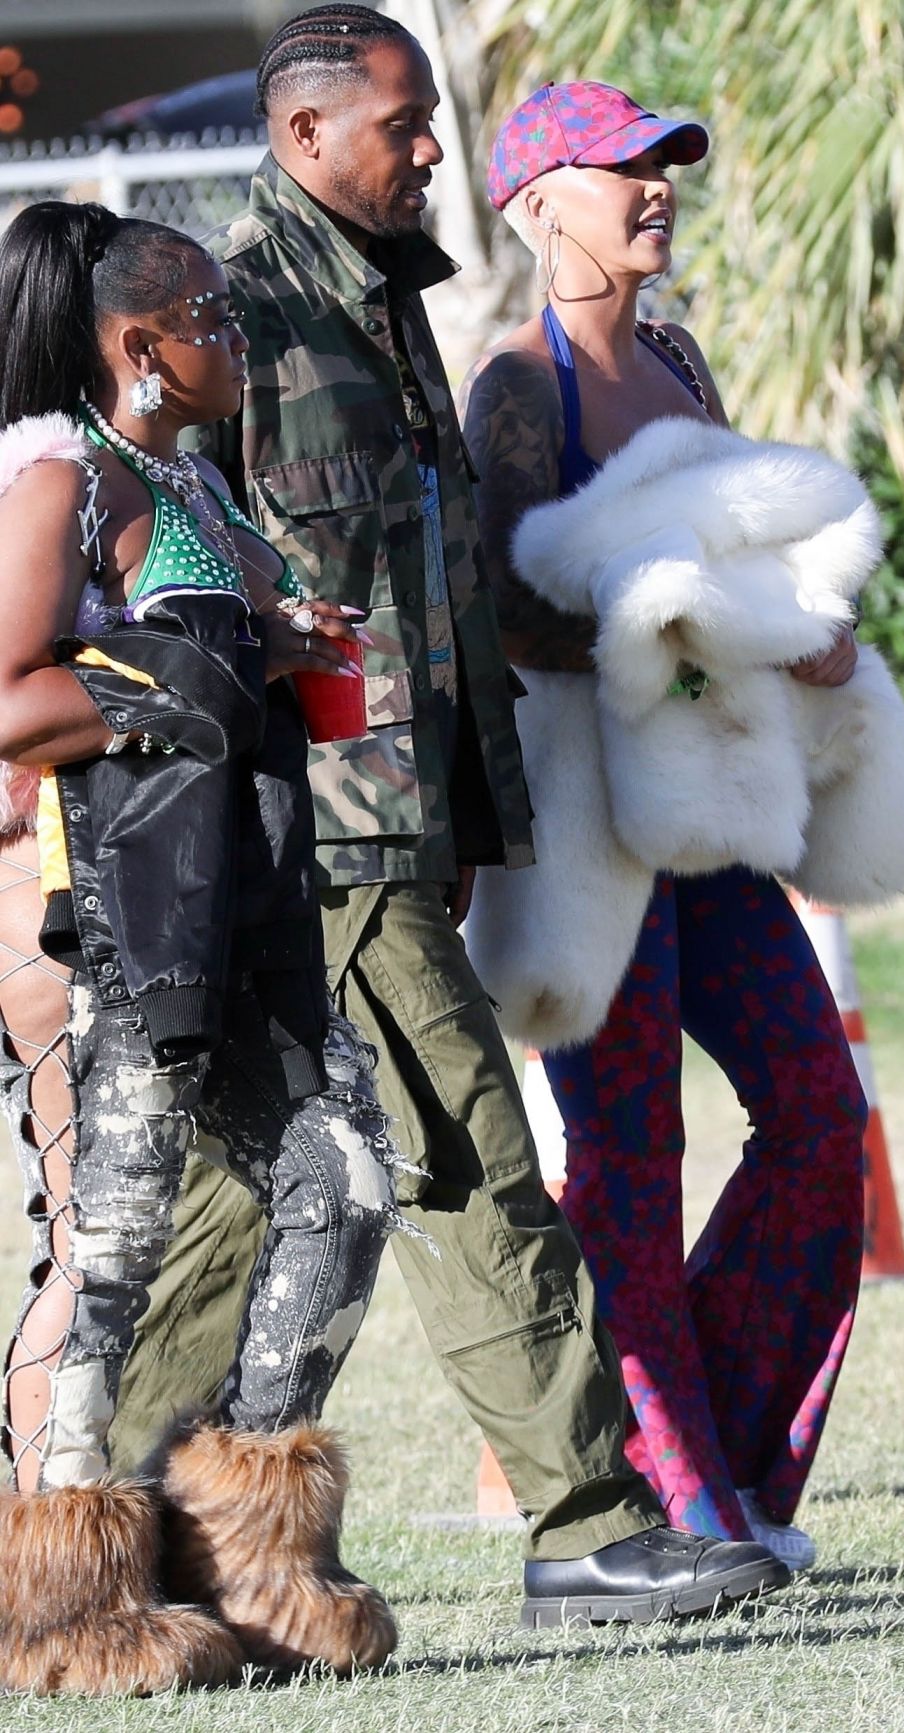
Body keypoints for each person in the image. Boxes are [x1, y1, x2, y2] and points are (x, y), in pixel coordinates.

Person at [111, 2, 786, 1631]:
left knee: (244, 1191)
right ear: (303, 137)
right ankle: (587, 1519)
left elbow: (441, 594)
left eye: (427, 124)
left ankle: (90, 1517)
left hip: (403, 819)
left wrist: (477, 802)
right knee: (468, 1156)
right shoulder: (233, 309)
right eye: (406, 127)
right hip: (307, 830)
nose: (432, 152)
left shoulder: (381, 301)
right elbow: (149, 539)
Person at [459, 80, 869, 1566]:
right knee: (626, 1163)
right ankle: (668, 1502)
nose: (655, 187)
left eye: (665, 165)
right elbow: (512, 614)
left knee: (824, 1120)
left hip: (713, 819)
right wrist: (711, 632)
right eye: (621, 166)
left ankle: (731, 1469)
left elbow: (744, 545)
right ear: (536, 202)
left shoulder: (681, 360)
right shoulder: (517, 388)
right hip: (589, 842)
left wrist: (804, 621)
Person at [0, 200, 405, 1693]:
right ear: (142, 347)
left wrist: (273, 644)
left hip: (243, 902)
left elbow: (200, 653)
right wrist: (164, 690)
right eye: (216, 325)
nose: (239, 344)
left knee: (343, 1179)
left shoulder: (187, 477)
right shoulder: (59, 472)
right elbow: (12, 692)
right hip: (119, 927)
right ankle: (61, 1600)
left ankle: (241, 1552)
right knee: (108, 1246)